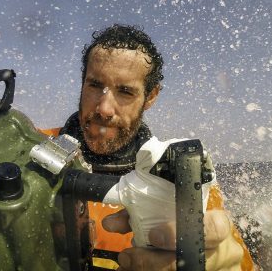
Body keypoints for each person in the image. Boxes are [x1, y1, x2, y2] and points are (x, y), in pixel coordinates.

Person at [40, 24, 255, 271]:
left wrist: (224, 263)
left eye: (125, 91)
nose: (104, 109)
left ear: (151, 97)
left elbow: (239, 262)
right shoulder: (26, 147)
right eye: (95, 85)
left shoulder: (181, 178)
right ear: (82, 84)